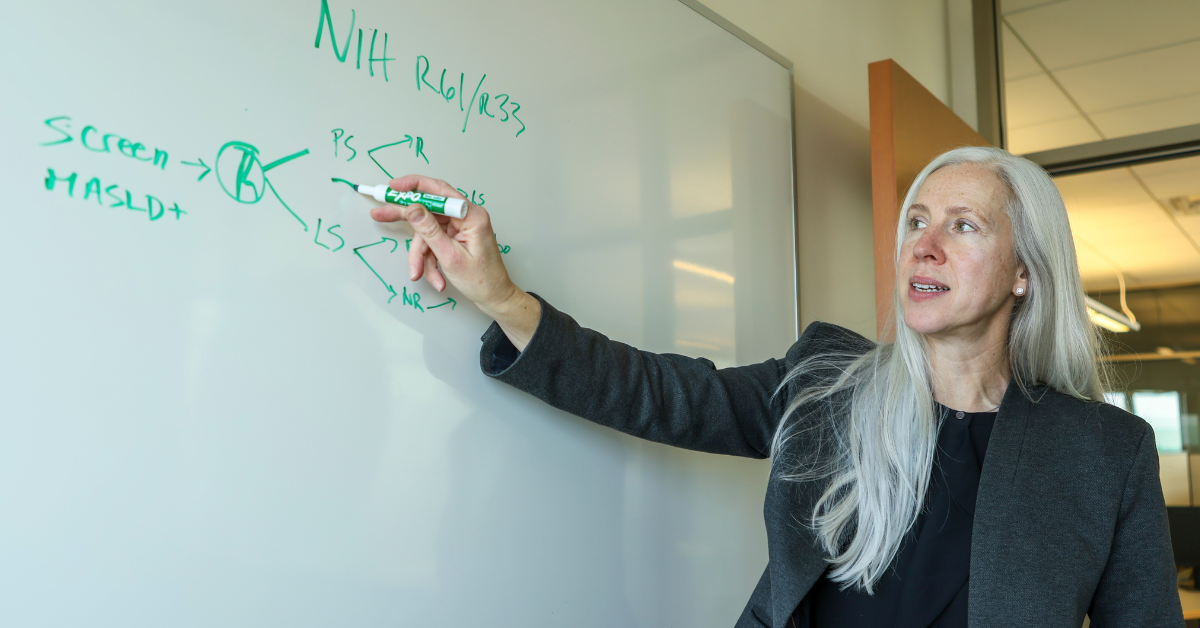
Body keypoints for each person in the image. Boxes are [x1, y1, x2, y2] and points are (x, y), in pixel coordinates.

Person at [368, 146, 1183, 627]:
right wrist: (503, 299)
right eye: (916, 221)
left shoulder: (1105, 452)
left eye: (964, 225)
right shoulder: (826, 382)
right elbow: (662, 392)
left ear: (1023, 275)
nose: (925, 245)